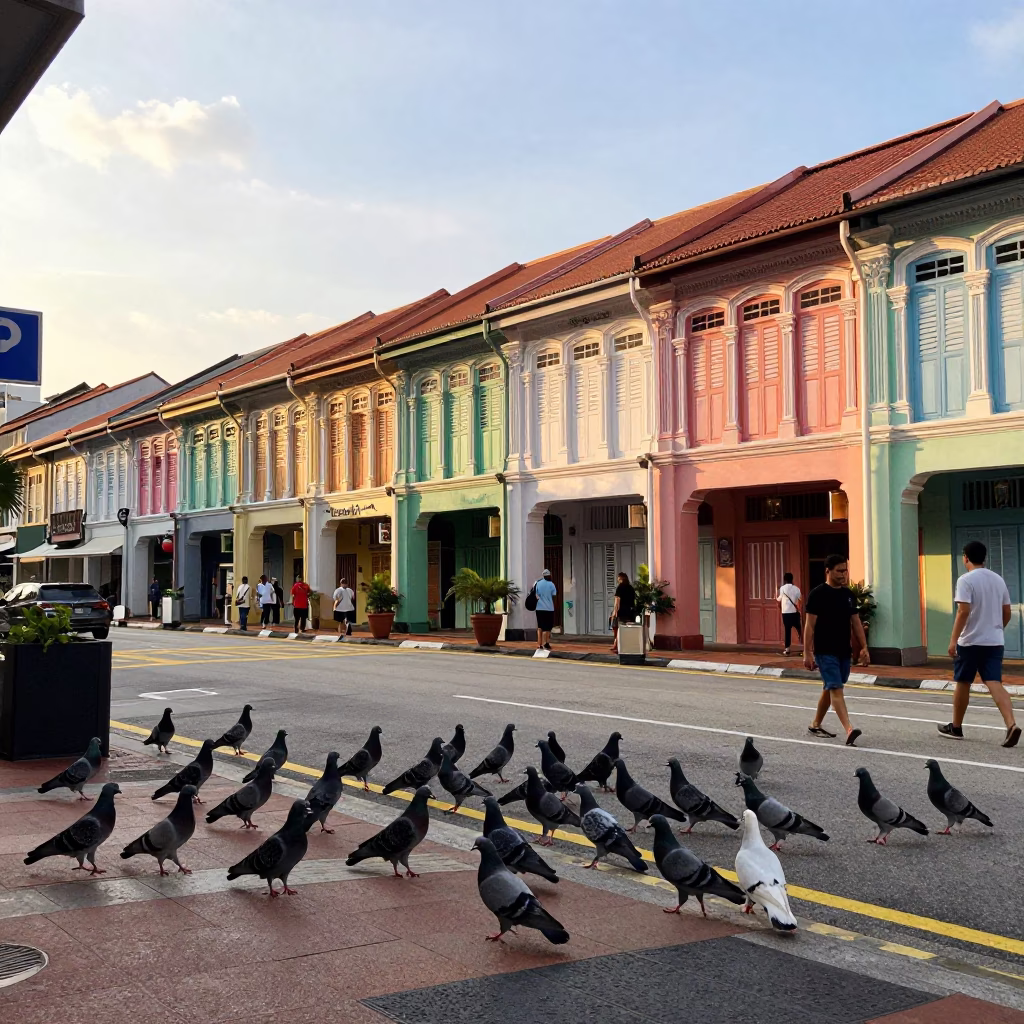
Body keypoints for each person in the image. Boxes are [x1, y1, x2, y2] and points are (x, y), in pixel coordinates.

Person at [940, 540, 1021, 748]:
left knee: (963, 681)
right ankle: (1011, 724)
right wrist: (996, 629)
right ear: (984, 558)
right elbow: (1007, 612)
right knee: (994, 681)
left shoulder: (965, 580)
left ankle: (956, 727)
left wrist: (953, 640)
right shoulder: (998, 580)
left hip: (970, 642)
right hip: (994, 641)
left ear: (965, 557)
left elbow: (963, 611)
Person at [804, 554, 869, 746]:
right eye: (839, 570)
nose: (843, 574)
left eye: (845, 570)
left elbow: (856, 622)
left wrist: (864, 647)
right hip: (825, 651)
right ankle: (849, 729)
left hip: (844, 651)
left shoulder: (848, 595)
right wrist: (807, 652)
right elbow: (809, 626)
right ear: (828, 571)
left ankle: (816, 724)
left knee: (831, 686)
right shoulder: (817, 594)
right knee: (836, 688)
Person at [609, 571, 636, 654]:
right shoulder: (631, 588)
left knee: (617, 628)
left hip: (621, 611)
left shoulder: (620, 587)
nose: (617, 579)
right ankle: (617, 644)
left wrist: (614, 612)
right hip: (629, 611)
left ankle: (617, 645)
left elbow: (617, 601)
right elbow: (633, 600)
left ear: (620, 578)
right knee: (625, 629)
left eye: (618, 578)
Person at [777, 572, 803, 656]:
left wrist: (776, 597)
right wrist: (799, 609)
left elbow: (779, 599)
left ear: (785, 579)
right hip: (795, 612)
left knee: (787, 631)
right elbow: (800, 600)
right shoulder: (797, 589)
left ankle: (787, 649)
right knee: (799, 629)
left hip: (785, 613)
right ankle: (805, 646)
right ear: (792, 579)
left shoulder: (782, 588)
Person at [533, 568, 558, 651]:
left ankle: (539, 644)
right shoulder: (551, 584)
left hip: (539, 608)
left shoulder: (537, 583)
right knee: (547, 627)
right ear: (549, 576)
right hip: (549, 608)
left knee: (540, 626)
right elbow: (554, 596)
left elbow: (534, 594)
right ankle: (545, 643)